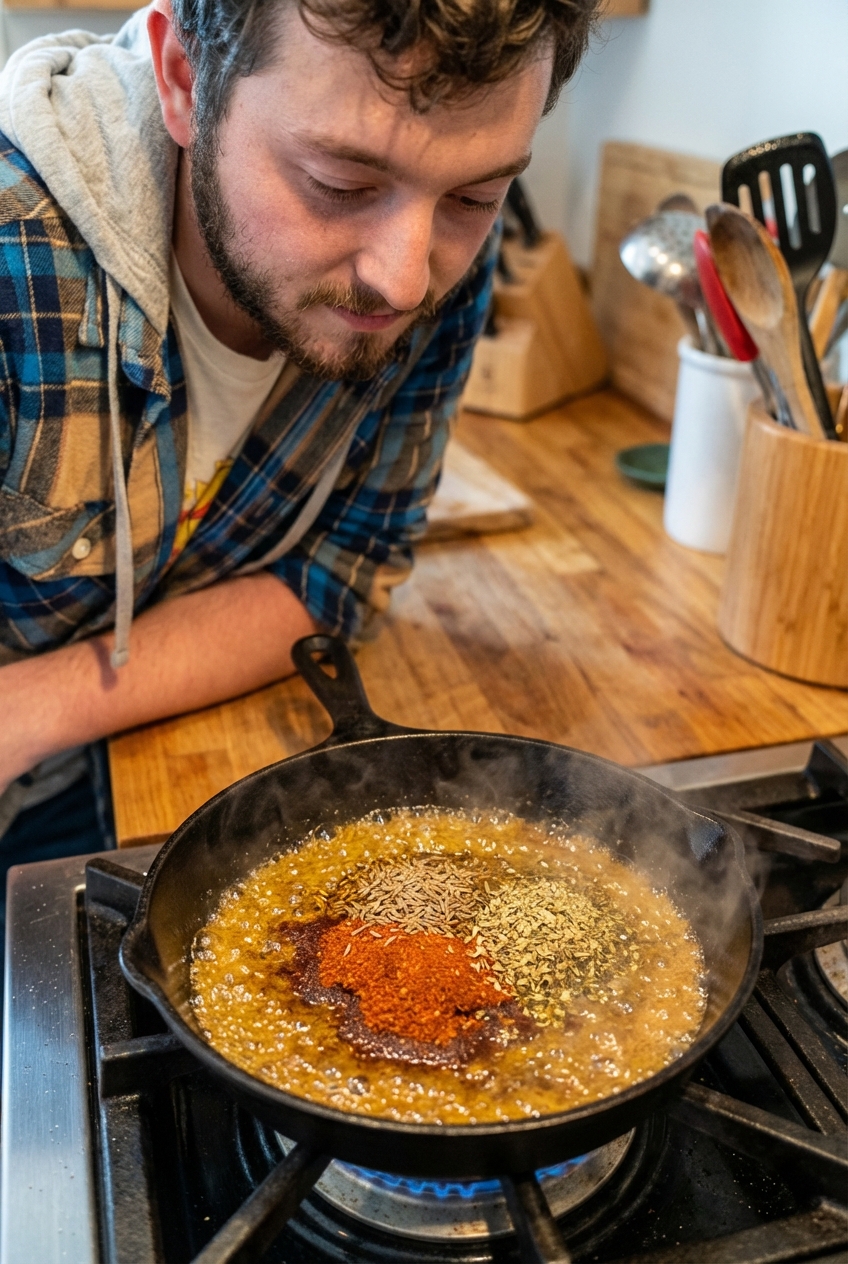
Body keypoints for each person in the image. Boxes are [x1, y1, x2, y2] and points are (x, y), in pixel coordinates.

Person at [0, 0, 597, 863]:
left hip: (102, 763)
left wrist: (33, 707)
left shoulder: (440, 265)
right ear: (184, 81)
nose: (401, 281)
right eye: (342, 185)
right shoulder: (17, 264)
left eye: (476, 194)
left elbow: (343, 573)